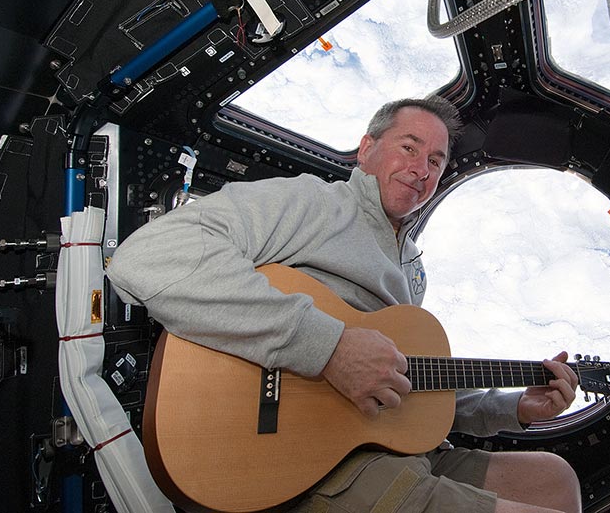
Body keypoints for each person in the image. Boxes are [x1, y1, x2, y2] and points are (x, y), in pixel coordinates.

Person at [107, 95, 582, 513]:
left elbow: (409, 388)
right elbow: (149, 256)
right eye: (410, 147)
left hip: (386, 442)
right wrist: (328, 347)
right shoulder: (315, 203)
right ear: (366, 149)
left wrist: (514, 407)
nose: (422, 169)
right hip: (306, 456)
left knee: (554, 479)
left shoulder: (413, 270)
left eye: (436, 161)